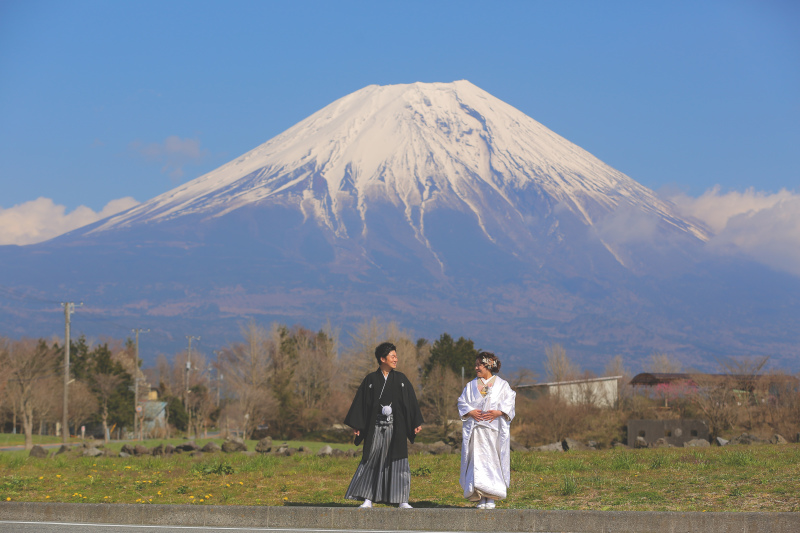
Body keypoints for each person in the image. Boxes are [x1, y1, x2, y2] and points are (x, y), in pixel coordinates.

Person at [344, 342, 424, 508]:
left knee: (399, 461)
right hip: (376, 427)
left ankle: (402, 499)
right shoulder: (371, 380)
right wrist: (358, 425)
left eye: (396, 356)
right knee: (372, 458)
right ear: (382, 358)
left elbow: (411, 402)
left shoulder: (401, 379)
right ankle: (368, 498)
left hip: (397, 427)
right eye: (392, 356)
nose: (396, 359)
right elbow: (361, 403)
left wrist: (415, 422)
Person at [457, 351, 516, 509]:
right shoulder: (470, 386)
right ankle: (480, 496)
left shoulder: (502, 385)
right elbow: (462, 401)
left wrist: (499, 412)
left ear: (489, 365)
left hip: (493, 430)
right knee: (477, 462)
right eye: (476, 365)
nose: (476, 367)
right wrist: (470, 411)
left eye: (479, 365)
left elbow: (510, 399)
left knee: (493, 461)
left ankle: (492, 497)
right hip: (476, 431)